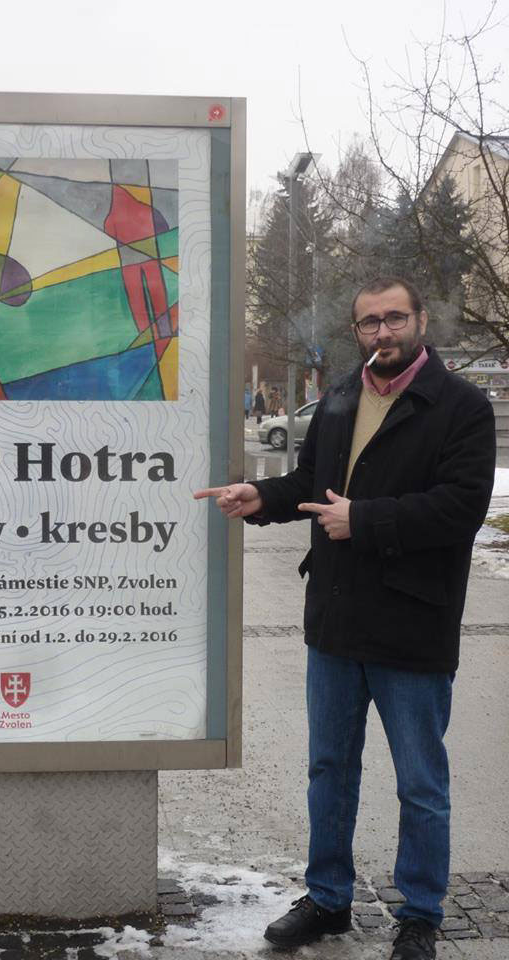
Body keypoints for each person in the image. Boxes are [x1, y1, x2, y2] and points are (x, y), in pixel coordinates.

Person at [194, 276, 496, 960]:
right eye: (369, 322)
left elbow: (461, 508)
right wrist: (259, 495)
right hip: (335, 620)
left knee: (420, 783)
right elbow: (311, 487)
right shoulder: (339, 398)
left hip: (413, 625)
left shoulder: (461, 407)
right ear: (356, 330)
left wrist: (364, 520)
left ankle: (420, 914)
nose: (382, 332)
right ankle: (328, 898)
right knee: (329, 769)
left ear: (420, 320)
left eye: (394, 318)